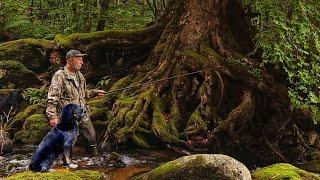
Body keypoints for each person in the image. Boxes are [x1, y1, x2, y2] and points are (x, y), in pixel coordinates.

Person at [46, 49, 106, 157]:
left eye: (81, 60)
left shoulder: (80, 75)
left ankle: (96, 161)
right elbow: (52, 97)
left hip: (82, 113)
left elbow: (83, 94)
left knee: (92, 137)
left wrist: (94, 93)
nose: (82, 62)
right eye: (79, 59)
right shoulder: (60, 75)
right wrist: (52, 116)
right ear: (70, 60)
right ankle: (65, 166)